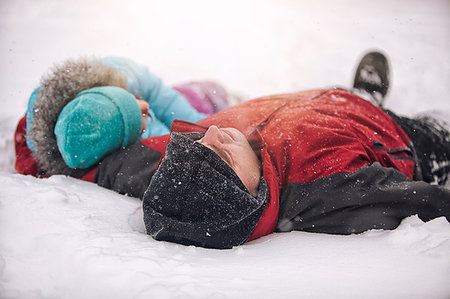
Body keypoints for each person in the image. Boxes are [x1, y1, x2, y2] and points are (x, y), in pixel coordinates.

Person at [14, 51, 450, 249]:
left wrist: (56, 131)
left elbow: (93, 161)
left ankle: (361, 91)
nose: (213, 135)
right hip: (386, 130)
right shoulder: (323, 190)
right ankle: (372, 99)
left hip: (311, 99)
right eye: (220, 154)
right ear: (246, 195)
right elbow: (423, 202)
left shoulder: (176, 171)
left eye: (197, 142)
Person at [15, 56, 231, 178]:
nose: (144, 106)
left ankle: (222, 94)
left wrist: (199, 123)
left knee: (204, 94)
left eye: (132, 100)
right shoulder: (97, 144)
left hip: (170, 97)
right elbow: (158, 141)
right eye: (141, 117)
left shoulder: (120, 74)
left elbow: (159, 96)